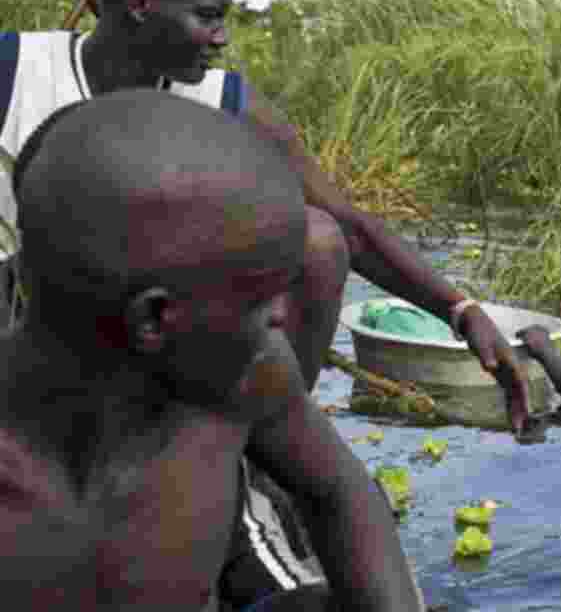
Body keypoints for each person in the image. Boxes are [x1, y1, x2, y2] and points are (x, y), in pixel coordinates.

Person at [0, 89, 422, 610]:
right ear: (154, 320)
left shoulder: (249, 378)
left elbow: (339, 490)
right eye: (260, 299)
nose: (282, 319)